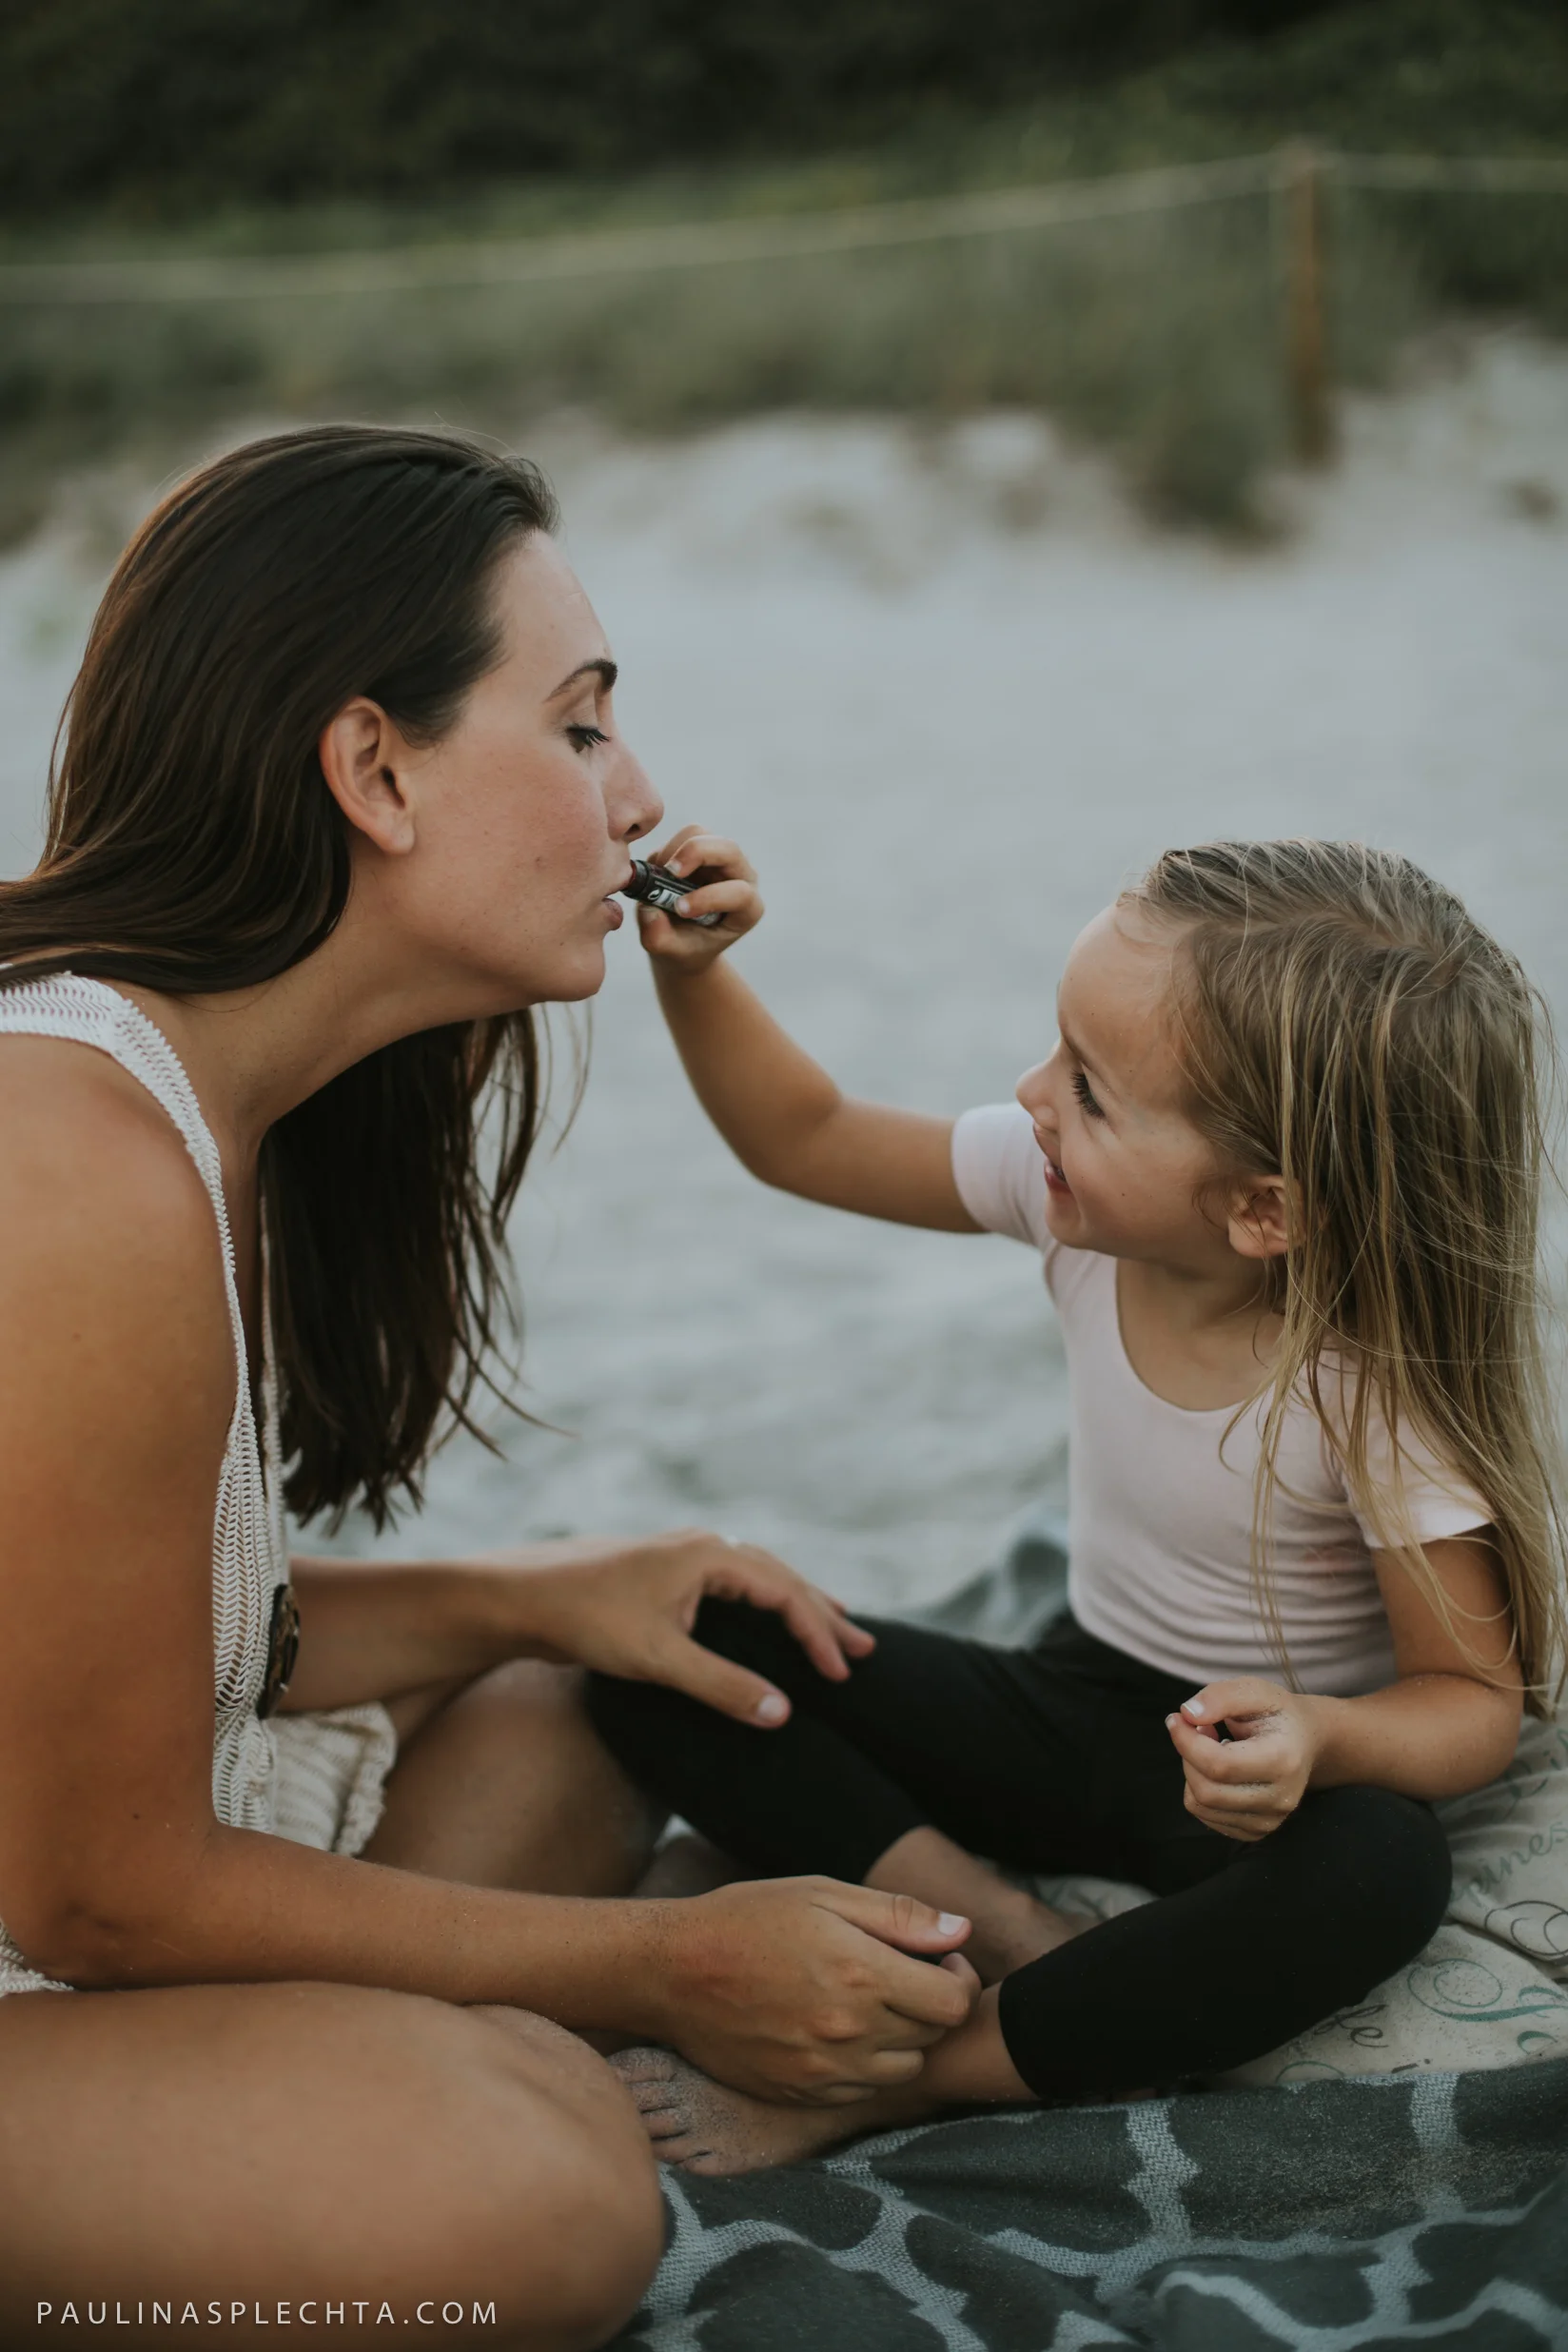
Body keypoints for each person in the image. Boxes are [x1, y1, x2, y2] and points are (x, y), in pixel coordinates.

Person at [0, 429, 979, 2346]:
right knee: (529, 2198)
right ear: (372, 770)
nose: (643, 796)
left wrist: (531, 1592)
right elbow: (93, 1895)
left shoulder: (210, 1105)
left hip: (79, 1864)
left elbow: (103, 1651)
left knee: (586, 1700)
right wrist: (662, 1963)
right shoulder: (69, 1169)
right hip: (65, 1917)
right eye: (585, 724)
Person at [587, 825, 1566, 2175]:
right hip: (1078, 1697)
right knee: (670, 1640)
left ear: (1261, 1210)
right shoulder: (1072, 1208)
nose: (1031, 1093)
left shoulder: (1367, 1394)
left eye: (1091, 1090)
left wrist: (1321, 1740)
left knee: (1382, 1877)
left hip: (1258, 1795)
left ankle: (918, 2077)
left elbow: (1472, 1708)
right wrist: (695, 974)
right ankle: (998, 1931)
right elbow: (804, 1138)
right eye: (1057, 1049)